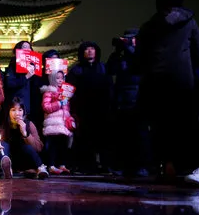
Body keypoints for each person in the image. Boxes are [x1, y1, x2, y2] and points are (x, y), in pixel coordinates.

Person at [137, 0, 199, 184]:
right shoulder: (189, 22)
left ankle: (165, 162)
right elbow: (198, 50)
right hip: (183, 78)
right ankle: (185, 165)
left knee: (160, 123)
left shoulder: (149, 26)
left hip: (156, 79)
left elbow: (141, 57)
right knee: (184, 122)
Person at [106, 29, 149, 177]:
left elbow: (140, 66)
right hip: (121, 100)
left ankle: (142, 166)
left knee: (140, 135)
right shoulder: (120, 56)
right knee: (122, 136)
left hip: (138, 99)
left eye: (129, 39)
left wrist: (128, 48)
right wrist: (117, 52)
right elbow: (109, 70)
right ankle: (123, 166)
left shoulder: (142, 53)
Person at [66, 41, 113, 173]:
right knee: (84, 139)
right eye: (87, 49)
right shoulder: (76, 70)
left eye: (92, 48)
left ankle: (105, 165)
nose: (90, 51)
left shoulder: (103, 68)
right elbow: (69, 90)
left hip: (102, 109)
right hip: (83, 110)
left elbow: (110, 87)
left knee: (104, 138)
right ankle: (86, 166)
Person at [0, 97, 47, 179]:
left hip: (23, 159)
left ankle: (40, 168)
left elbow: (38, 147)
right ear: (8, 112)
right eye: (13, 110)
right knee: (3, 144)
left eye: (20, 110)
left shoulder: (29, 124)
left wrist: (25, 134)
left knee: (26, 147)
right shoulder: (1, 125)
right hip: (8, 158)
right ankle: (7, 169)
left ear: (24, 112)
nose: (17, 113)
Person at [41, 71, 74, 175]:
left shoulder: (65, 92)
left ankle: (62, 165)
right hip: (53, 123)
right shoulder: (48, 92)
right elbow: (46, 107)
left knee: (63, 144)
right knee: (53, 145)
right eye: (57, 78)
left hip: (63, 123)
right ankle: (51, 165)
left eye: (62, 78)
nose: (60, 80)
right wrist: (59, 103)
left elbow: (67, 108)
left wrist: (69, 118)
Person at [5, 41, 37, 121]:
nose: (28, 49)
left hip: (30, 104)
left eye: (29, 47)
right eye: (24, 47)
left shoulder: (33, 65)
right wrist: (26, 77)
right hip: (17, 104)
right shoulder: (13, 65)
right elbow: (10, 83)